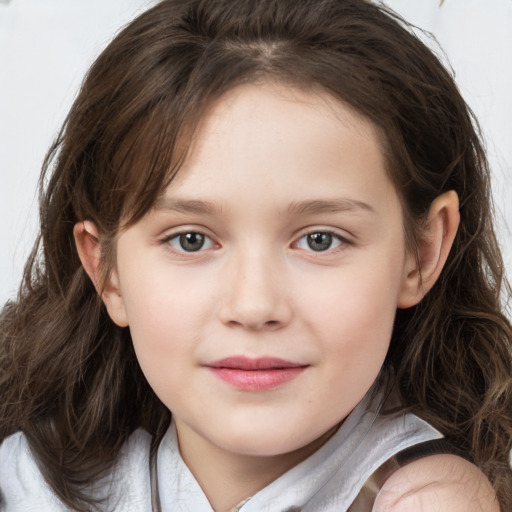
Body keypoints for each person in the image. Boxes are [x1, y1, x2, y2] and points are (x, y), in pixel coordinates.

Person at [0, 0, 511, 510]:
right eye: (191, 240)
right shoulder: (24, 482)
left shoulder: (429, 500)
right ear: (106, 271)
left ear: (421, 253)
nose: (254, 305)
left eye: (320, 239)